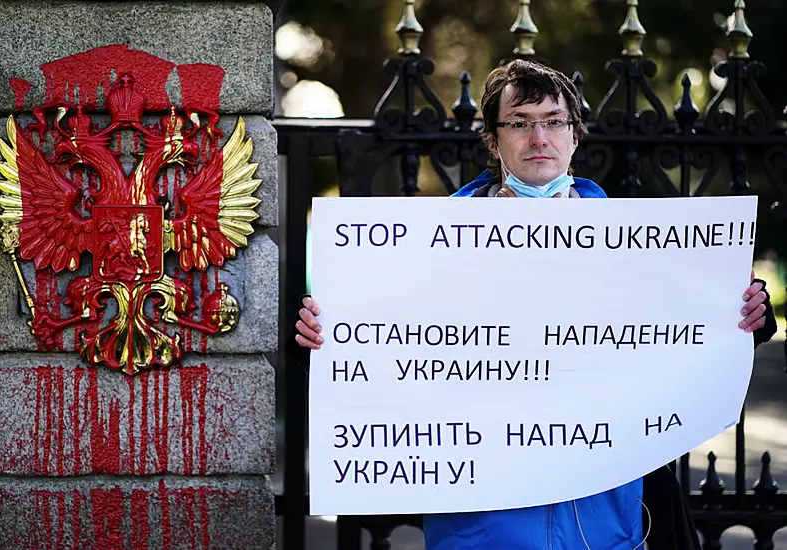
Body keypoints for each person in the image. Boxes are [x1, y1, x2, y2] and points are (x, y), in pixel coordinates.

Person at [294, 59, 778, 550]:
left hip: (603, 522)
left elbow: (692, 335)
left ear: (574, 135)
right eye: (520, 123)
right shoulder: (427, 251)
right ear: (492, 139)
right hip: (483, 527)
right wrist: (321, 337)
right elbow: (378, 350)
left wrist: (749, 316)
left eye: (553, 122)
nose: (538, 138)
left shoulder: (640, 246)